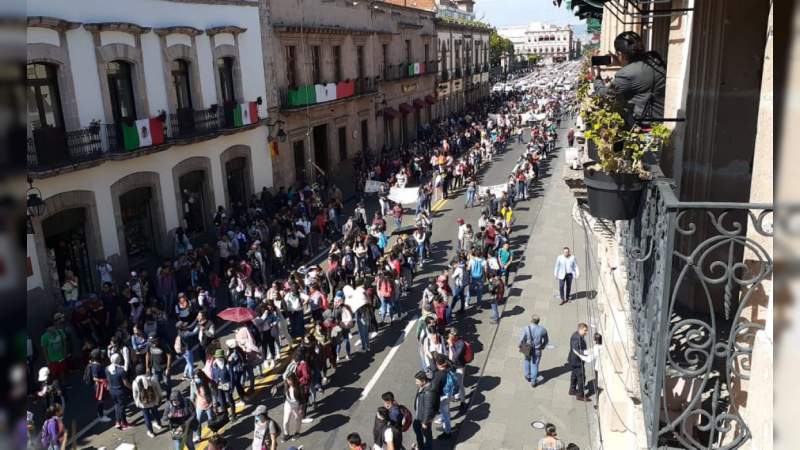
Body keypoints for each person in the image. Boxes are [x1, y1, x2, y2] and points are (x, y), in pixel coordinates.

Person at [592, 31, 666, 124]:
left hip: (647, 124)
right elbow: (640, 72)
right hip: (663, 116)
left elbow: (606, 95)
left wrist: (597, 77)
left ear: (620, 54)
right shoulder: (654, 58)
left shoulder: (626, 74)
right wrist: (621, 62)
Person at [132, 364, 164, 438]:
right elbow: (158, 389)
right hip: (153, 400)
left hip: (143, 403)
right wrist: (160, 397)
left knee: (147, 417)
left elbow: (135, 395)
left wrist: (137, 403)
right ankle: (159, 424)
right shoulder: (152, 378)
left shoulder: (135, 382)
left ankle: (151, 432)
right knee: (156, 412)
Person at [519, 314, 549, 387]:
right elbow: (546, 340)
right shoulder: (543, 330)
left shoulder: (526, 328)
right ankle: (533, 382)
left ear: (531, 320)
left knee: (527, 360)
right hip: (537, 349)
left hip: (527, 347)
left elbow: (521, 339)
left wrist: (522, 346)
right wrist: (542, 346)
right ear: (538, 321)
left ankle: (527, 375)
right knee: (535, 365)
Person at [105, 353, 131, 430]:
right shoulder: (121, 370)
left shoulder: (107, 369)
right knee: (122, 407)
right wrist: (132, 388)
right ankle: (124, 423)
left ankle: (117, 422)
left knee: (116, 406)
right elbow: (125, 383)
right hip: (120, 391)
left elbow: (108, 379)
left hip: (112, 390)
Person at [412, 370, 437, 450]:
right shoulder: (422, 386)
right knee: (417, 429)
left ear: (423, 381)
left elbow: (428, 408)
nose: (416, 383)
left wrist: (425, 422)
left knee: (427, 435)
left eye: (417, 381)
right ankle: (421, 446)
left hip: (424, 419)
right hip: (419, 415)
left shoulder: (428, 392)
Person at [568, 323, 591, 401]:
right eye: (585, 330)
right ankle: (580, 395)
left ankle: (572, 390)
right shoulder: (576, 338)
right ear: (580, 329)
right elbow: (576, 350)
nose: (586, 332)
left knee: (574, 375)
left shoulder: (578, 335)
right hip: (577, 361)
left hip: (574, 360)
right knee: (581, 378)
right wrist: (585, 353)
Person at [282, 372, 305, 442]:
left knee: (298, 420)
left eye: (290, 380)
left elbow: (303, 399)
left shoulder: (299, 387)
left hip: (296, 406)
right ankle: (287, 434)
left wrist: (301, 408)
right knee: (285, 422)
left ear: (294, 379)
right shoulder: (286, 384)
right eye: (287, 380)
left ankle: (297, 433)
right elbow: (280, 385)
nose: (288, 382)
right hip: (288, 405)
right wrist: (275, 387)